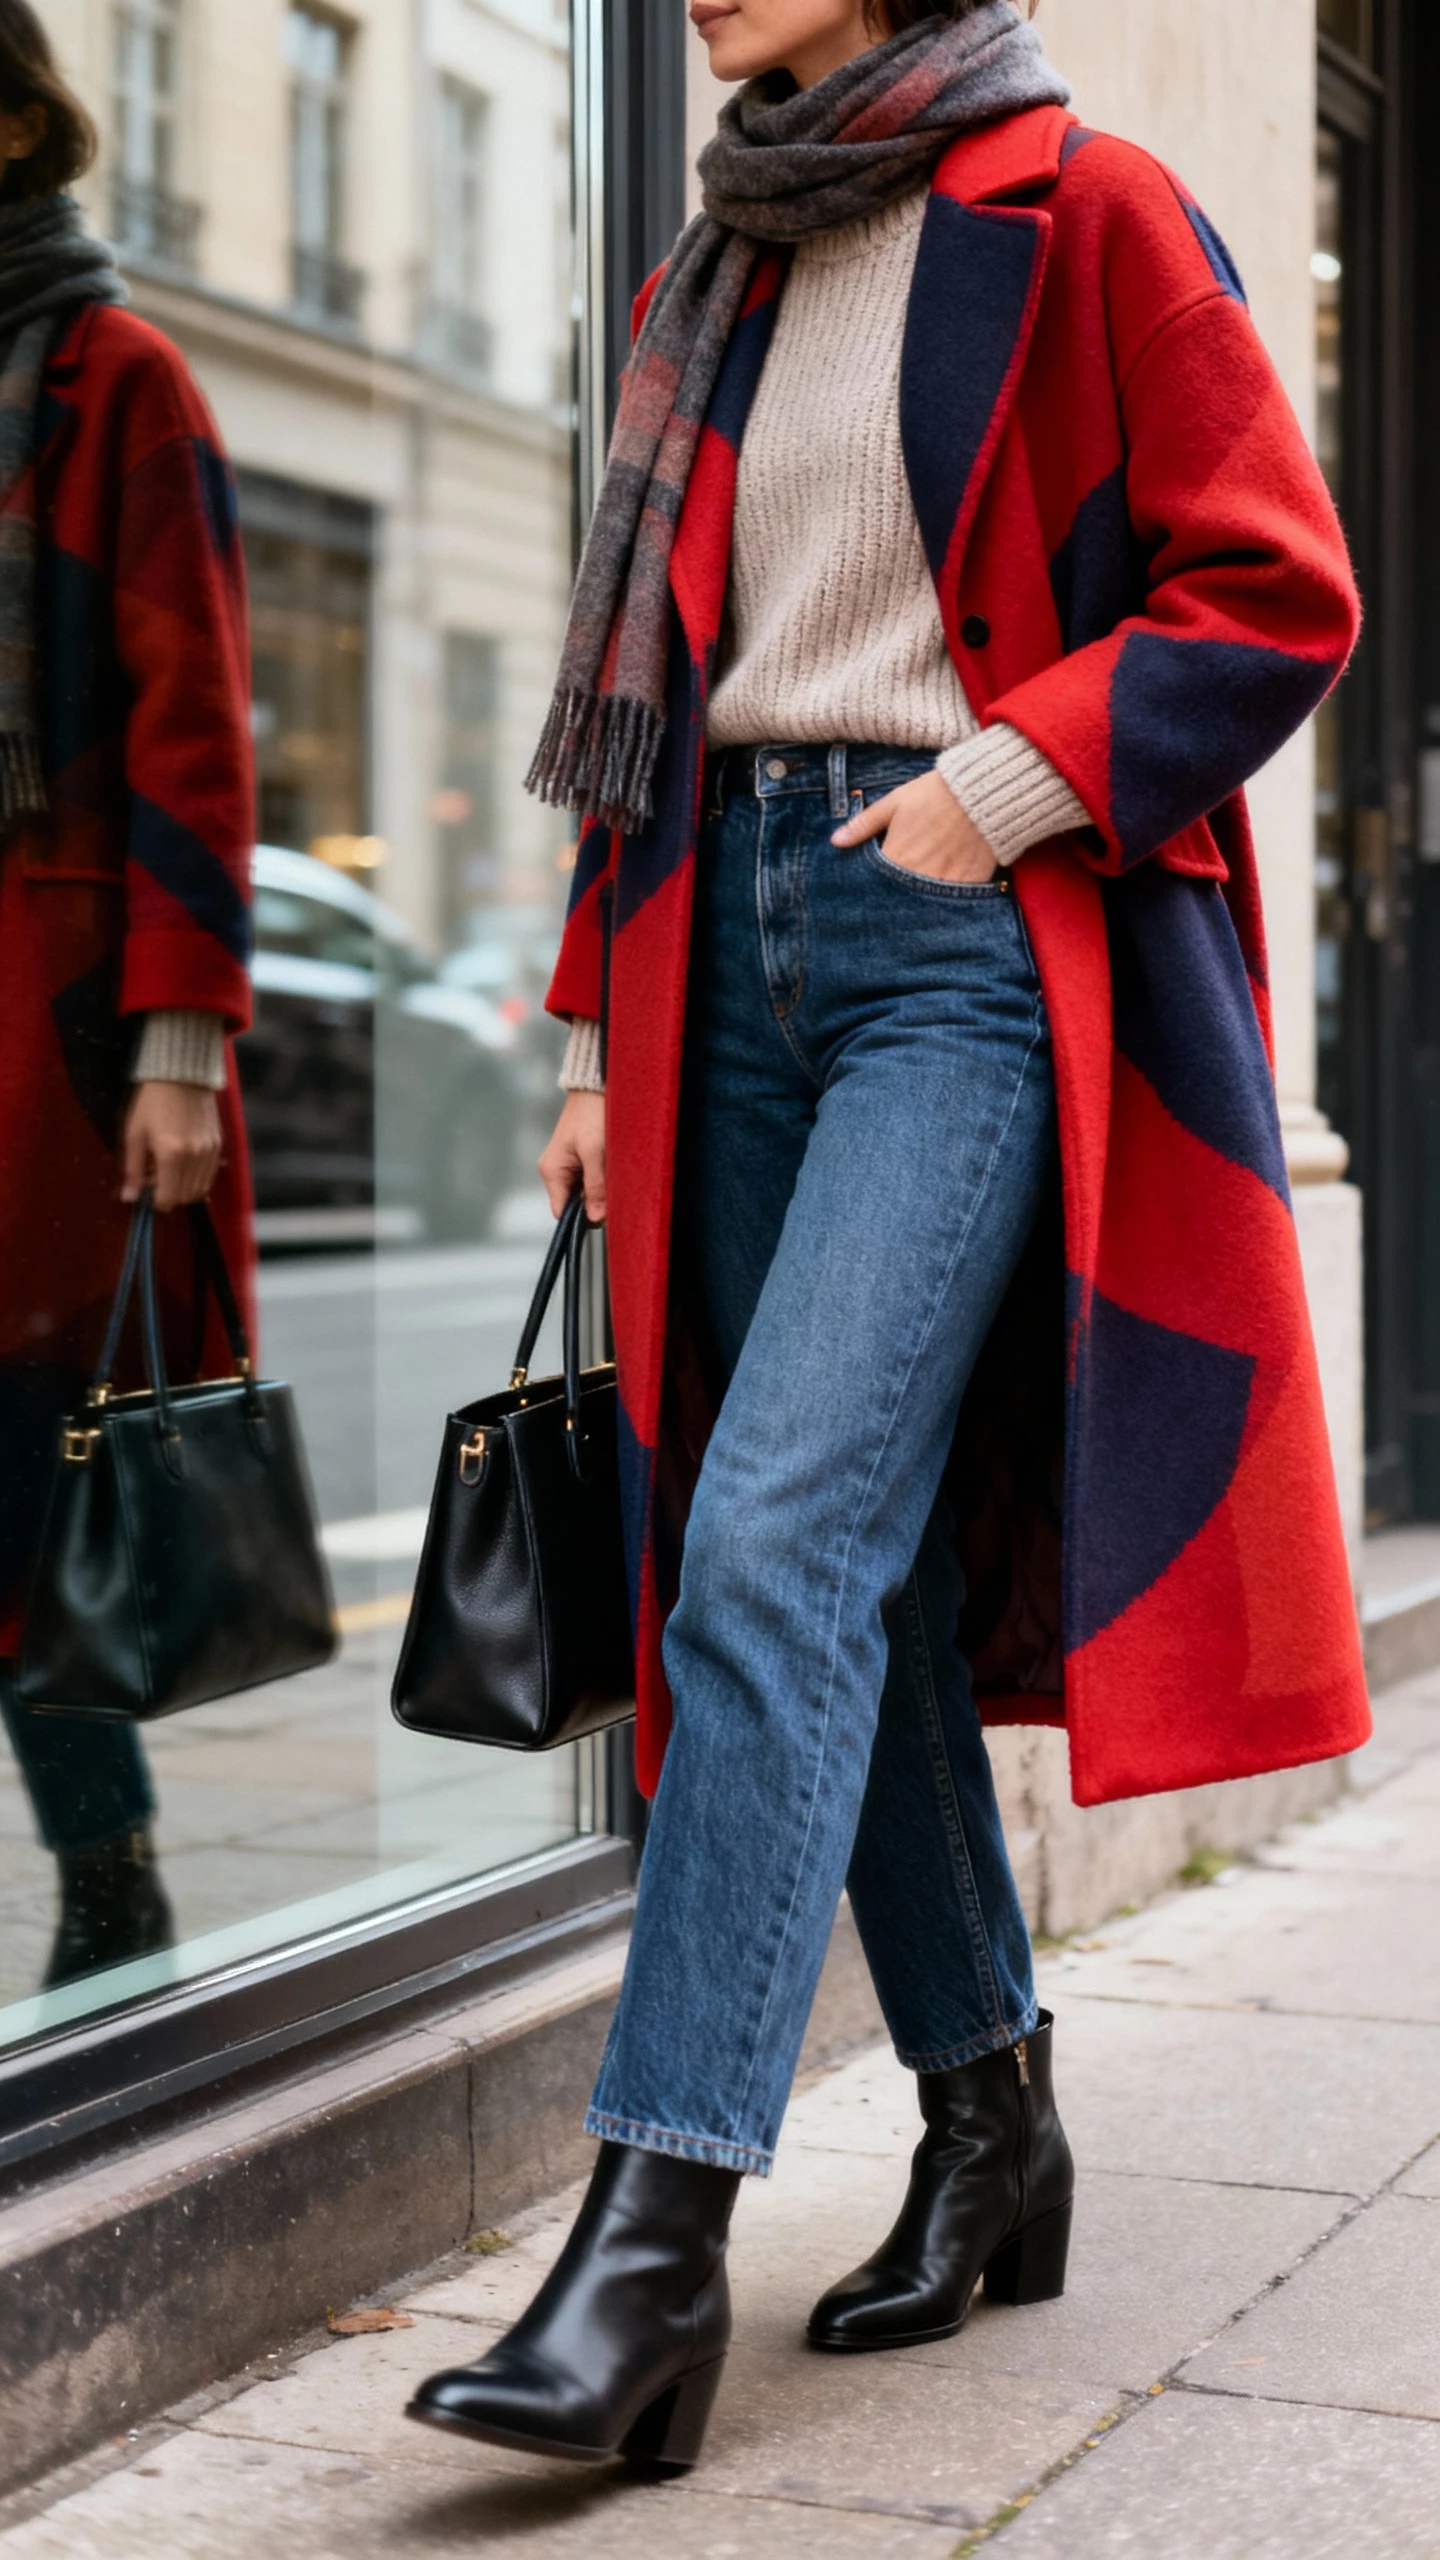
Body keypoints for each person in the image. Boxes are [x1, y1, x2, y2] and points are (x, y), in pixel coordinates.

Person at [409, 0, 1369, 2476]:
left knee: (771, 1534)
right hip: (707, 926)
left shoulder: (1087, 210)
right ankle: (992, 2114)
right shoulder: (712, 265)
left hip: (960, 938)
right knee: (867, 1570)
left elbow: (1273, 586)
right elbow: (648, 688)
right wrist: (598, 1045)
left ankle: (649, 2250)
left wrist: (1006, 778)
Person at [0, 1, 255, 1989]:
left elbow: (199, 729)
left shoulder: (117, 378)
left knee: (37, 1492)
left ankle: (114, 1888)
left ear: (16, 128)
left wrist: (181, 1045)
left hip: (54, 1029)